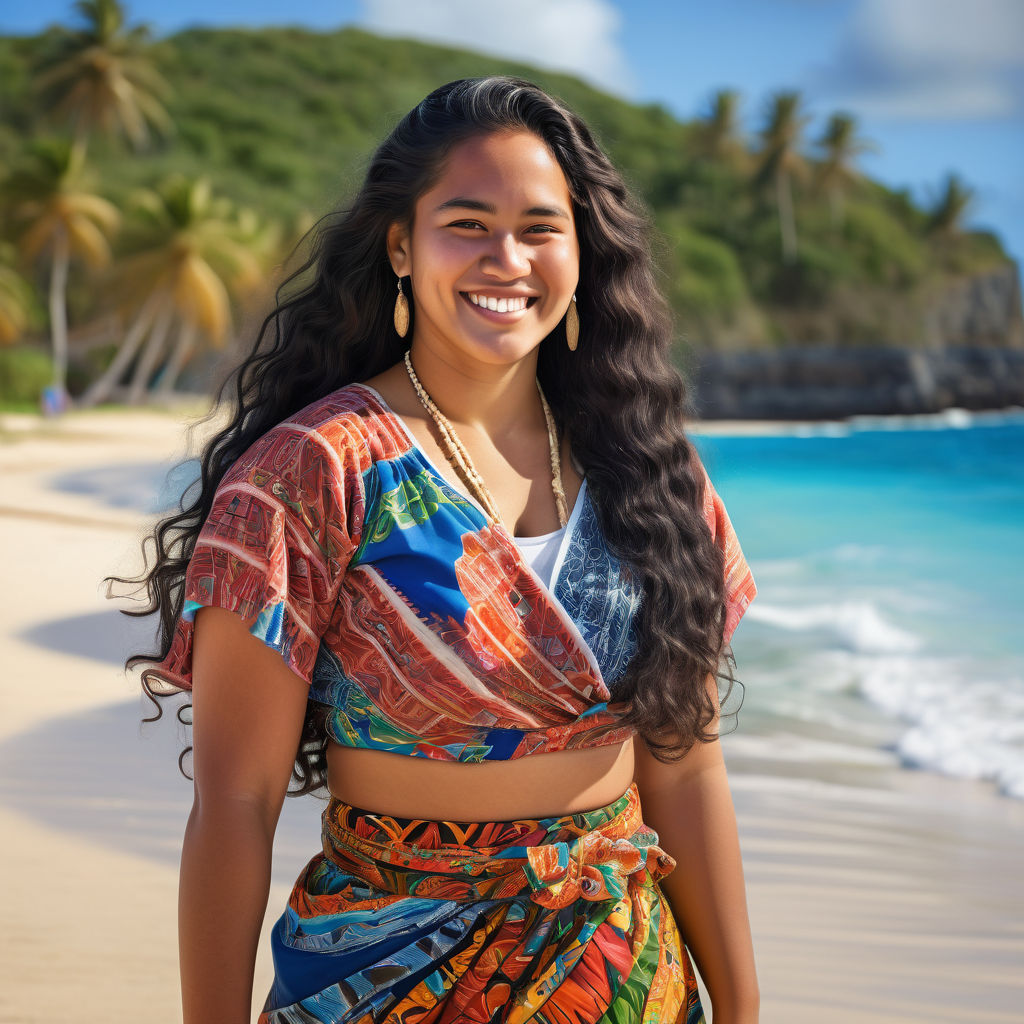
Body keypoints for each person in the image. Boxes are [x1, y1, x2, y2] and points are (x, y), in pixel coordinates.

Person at [129, 76, 759, 1024]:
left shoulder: (652, 472)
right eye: (467, 222)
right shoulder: (313, 471)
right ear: (400, 244)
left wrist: (744, 1007)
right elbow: (237, 802)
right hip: (387, 971)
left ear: (581, 255)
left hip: (625, 978)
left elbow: (686, 768)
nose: (507, 258)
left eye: (541, 228)